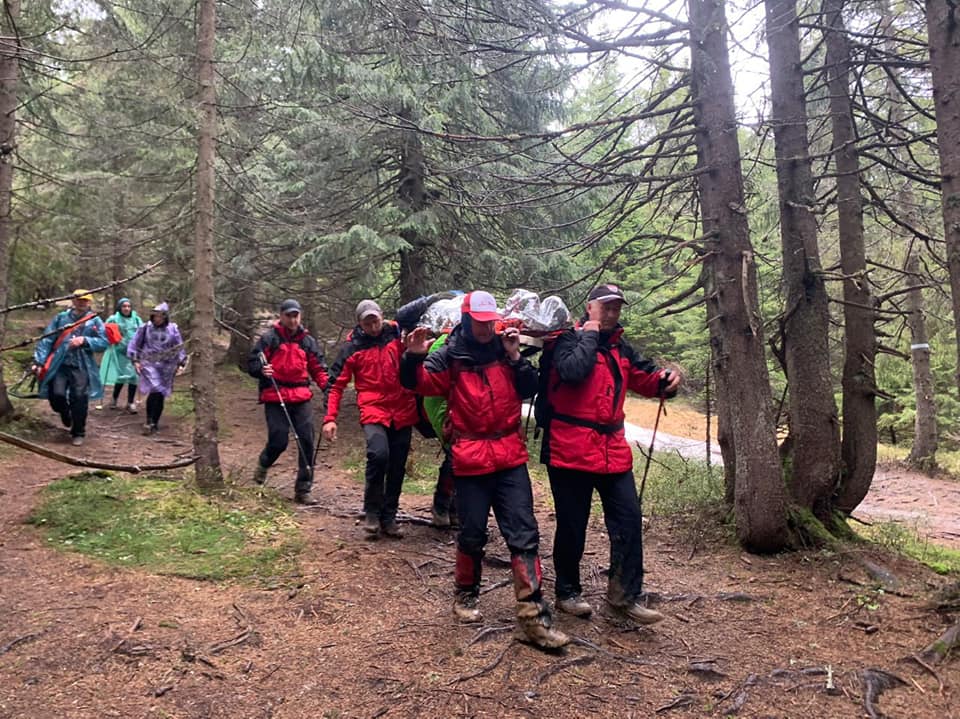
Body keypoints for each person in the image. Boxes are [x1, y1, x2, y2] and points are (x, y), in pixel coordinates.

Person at [401, 290, 569, 650]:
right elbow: (420, 384)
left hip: (509, 453)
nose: (483, 328)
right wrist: (413, 358)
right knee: (473, 533)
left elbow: (530, 387)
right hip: (471, 455)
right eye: (477, 322)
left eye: (487, 321)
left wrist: (513, 357)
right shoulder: (449, 354)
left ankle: (533, 617)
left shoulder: (503, 347)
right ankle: (465, 593)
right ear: (466, 318)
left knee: (524, 533)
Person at [537, 283, 681, 625]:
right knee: (573, 525)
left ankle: (623, 599)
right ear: (590, 308)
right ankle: (568, 593)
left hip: (611, 450)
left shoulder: (621, 348)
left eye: (617, 307)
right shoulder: (563, 341)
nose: (612, 312)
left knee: (629, 521)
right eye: (606, 306)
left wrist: (668, 380)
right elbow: (573, 372)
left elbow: (647, 379)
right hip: (569, 448)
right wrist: (589, 335)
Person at [322, 297, 428, 538]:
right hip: (374, 409)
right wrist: (330, 418)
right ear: (359, 324)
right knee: (378, 455)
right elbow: (336, 385)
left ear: (382, 317)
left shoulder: (396, 333)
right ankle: (371, 511)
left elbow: (414, 355)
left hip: (402, 409)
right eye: (367, 323)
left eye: (376, 321)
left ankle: (389, 516)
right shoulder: (352, 348)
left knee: (397, 464)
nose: (373, 327)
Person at [248, 299, 329, 505]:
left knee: (307, 441)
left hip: (301, 396)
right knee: (279, 440)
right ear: (281, 316)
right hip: (275, 396)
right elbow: (252, 363)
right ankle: (263, 464)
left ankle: (303, 489)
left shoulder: (307, 341)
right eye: (289, 316)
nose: (293, 320)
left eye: (296, 316)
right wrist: (261, 370)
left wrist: (329, 389)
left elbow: (318, 368)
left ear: (300, 316)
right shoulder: (269, 339)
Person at [31, 289, 109, 446]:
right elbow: (47, 339)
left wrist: (85, 340)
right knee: (56, 395)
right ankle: (65, 413)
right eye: (79, 299)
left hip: (81, 366)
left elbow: (103, 342)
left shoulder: (94, 321)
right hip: (59, 364)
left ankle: (78, 431)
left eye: (85, 300)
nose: (82, 302)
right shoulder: (61, 318)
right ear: (73, 301)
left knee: (79, 398)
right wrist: (39, 361)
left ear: (89, 302)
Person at [128, 302, 187, 435]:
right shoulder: (145, 328)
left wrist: (181, 362)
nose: (157, 319)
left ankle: (155, 421)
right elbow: (134, 343)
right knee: (154, 389)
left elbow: (179, 346)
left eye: (160, 316)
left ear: (165, 317)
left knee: (161, 393)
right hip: (149, 363)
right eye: (155, 316)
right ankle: (149, 421)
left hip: (167, 365)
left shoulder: (173, 329)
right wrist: (135, 360)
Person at [99, 297, 143, 412]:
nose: (126, 308)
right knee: (121, 376)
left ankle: (130, 402)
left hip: (134, 353)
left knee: (133, 377)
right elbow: (105, 331)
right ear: (120, 307)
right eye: (124, 306)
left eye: (128, 306)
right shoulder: (114, 319)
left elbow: (142, 333)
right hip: (119, 352)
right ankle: (114, 399)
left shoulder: (137, 320)